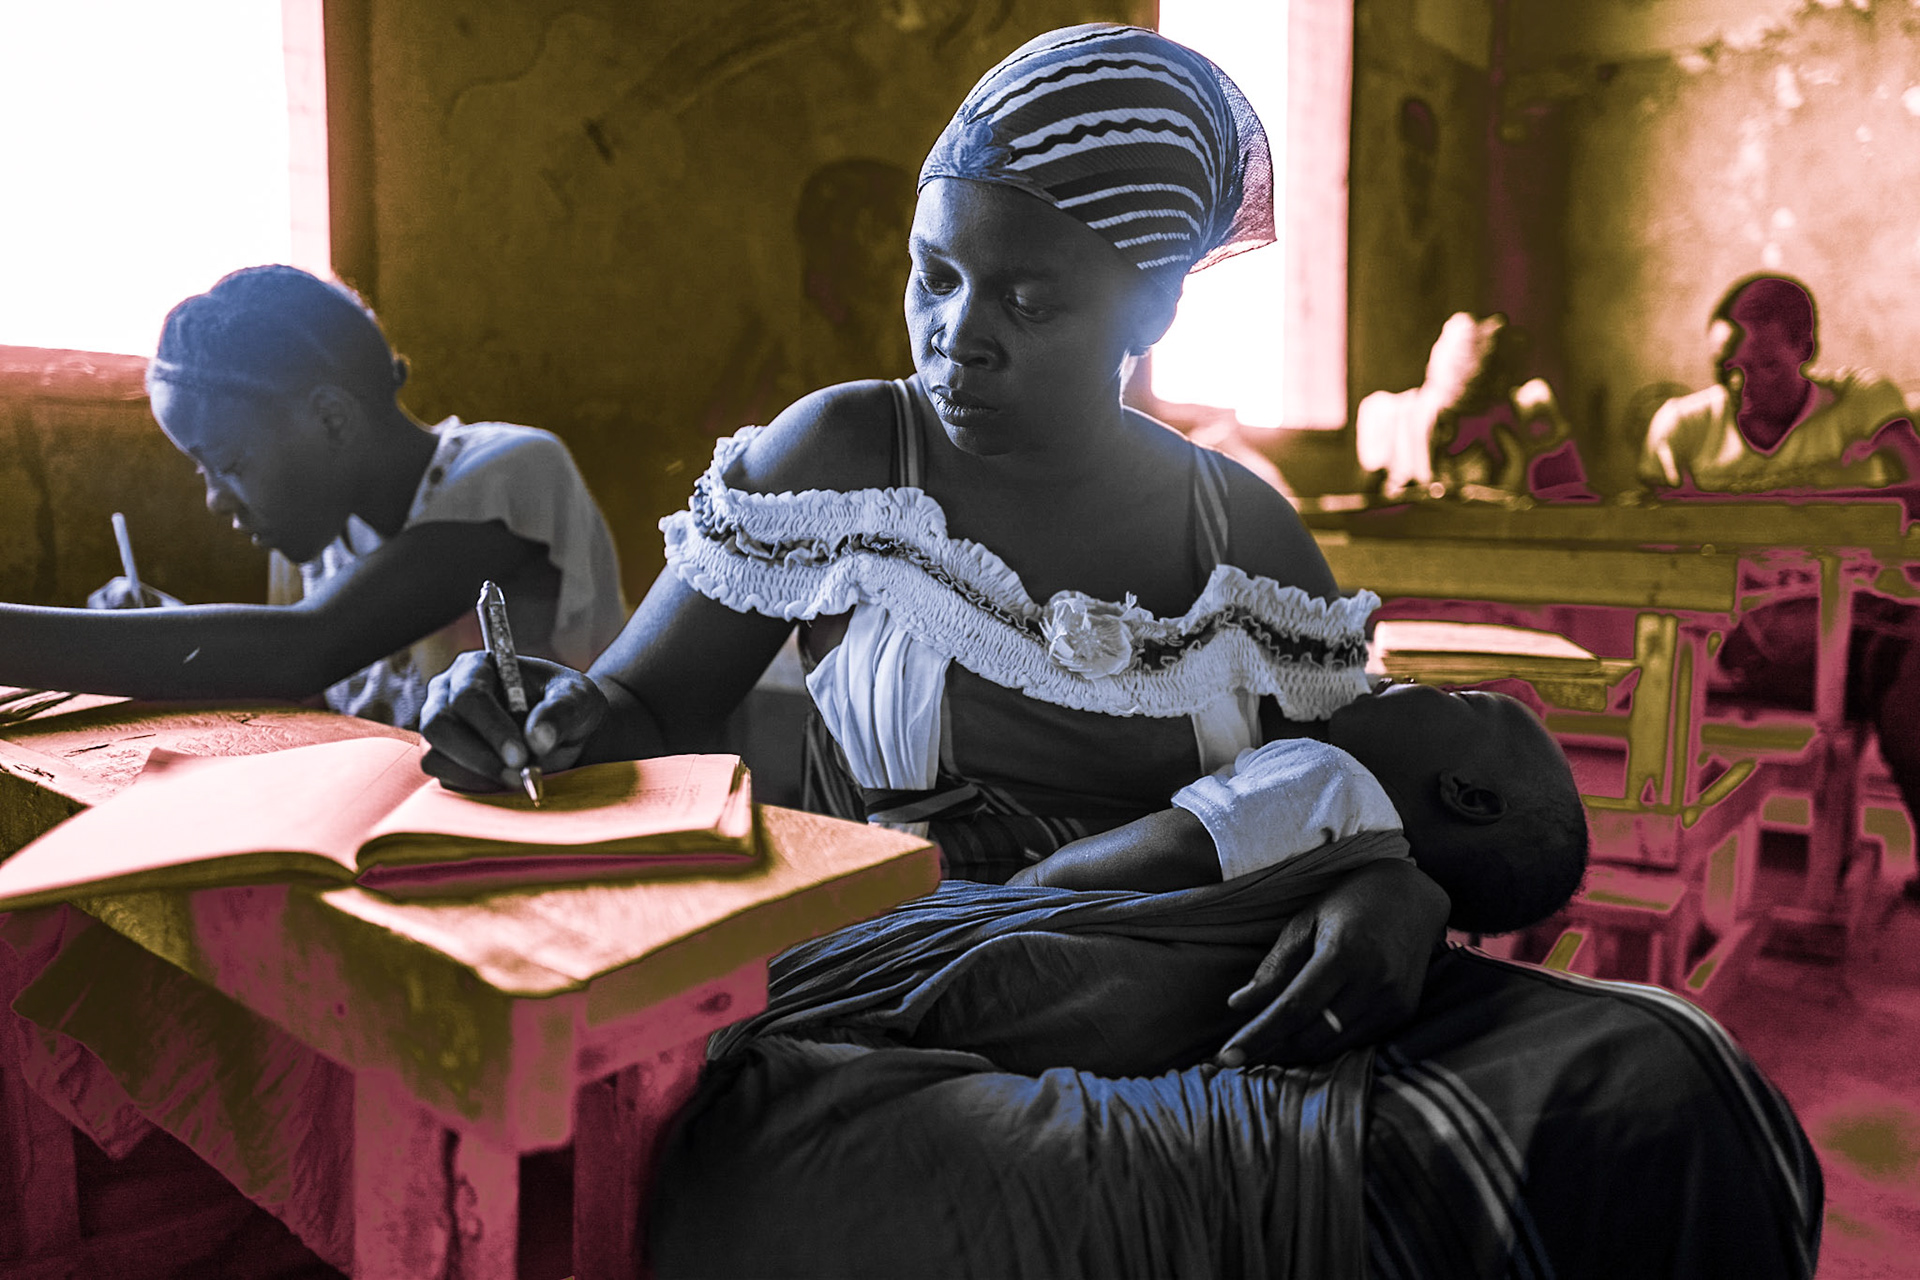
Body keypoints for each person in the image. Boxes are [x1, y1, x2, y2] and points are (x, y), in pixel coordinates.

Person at [422, 23, 1451, 1067]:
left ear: (1153, 305)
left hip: (1198, 1010)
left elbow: (1351, 798)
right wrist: (534, 713)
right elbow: (644, 705)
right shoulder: (847, 457)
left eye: (1025, 298)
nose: (959, 331)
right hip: (896, 1014)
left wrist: (1391, 887)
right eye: (934, 275)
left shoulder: (1244, 537)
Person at [0, 265, 628, 729]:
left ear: (330, 419)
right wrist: (164, 625)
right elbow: (304, 684)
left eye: (230, 465)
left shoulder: (514, 473)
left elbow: (301, 650)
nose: (216, 501)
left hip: (576, 809)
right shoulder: (319, 530)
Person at [1639, 274, 1920, 898]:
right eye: (1727, 368)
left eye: (1765, 366)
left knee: (1896, 646)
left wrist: (1779, 506)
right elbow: (1650, 541)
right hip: (1748, 627)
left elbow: (1916, 487)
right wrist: (1815, 511)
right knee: (1903, 656)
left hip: (1858, 611)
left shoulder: (1857, 400)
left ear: (1805, 350)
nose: (1742, 386)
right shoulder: (1684, 428)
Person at [1010, 682, 1590, 943]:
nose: (1407, 679)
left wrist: (1018, 887)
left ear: (1468, 796)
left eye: (1452, 696)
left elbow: (1175, 847)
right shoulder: (1362, 860)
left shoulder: (1330, 783)